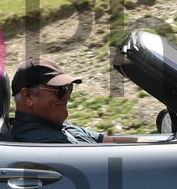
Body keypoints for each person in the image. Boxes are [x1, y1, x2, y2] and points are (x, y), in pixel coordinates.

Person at [8, 57, 146, 144]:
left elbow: (112, 141)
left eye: (68, 88)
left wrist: (155, 145)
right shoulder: (43, 142)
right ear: (28, 96)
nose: (67, 96)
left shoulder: (60, 127)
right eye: (59, 90)